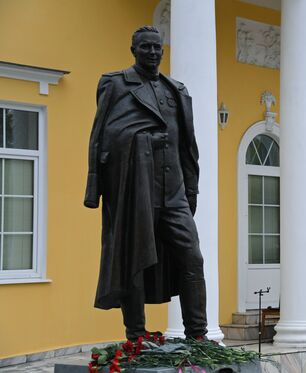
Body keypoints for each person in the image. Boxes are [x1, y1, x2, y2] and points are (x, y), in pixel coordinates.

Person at [84, 26, 207, 341]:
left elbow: (186, 145)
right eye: (146, 47)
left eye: (157, 48)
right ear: (133, 50)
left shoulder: (176, 89)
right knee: (134, 259)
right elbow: (102, 135)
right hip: (135, 188)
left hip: (174, 190)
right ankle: (136, 334)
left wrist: (191, 189)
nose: (152, 53)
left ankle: (198, 334)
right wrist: (95, 186)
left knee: (192, 256)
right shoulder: (115, 84)